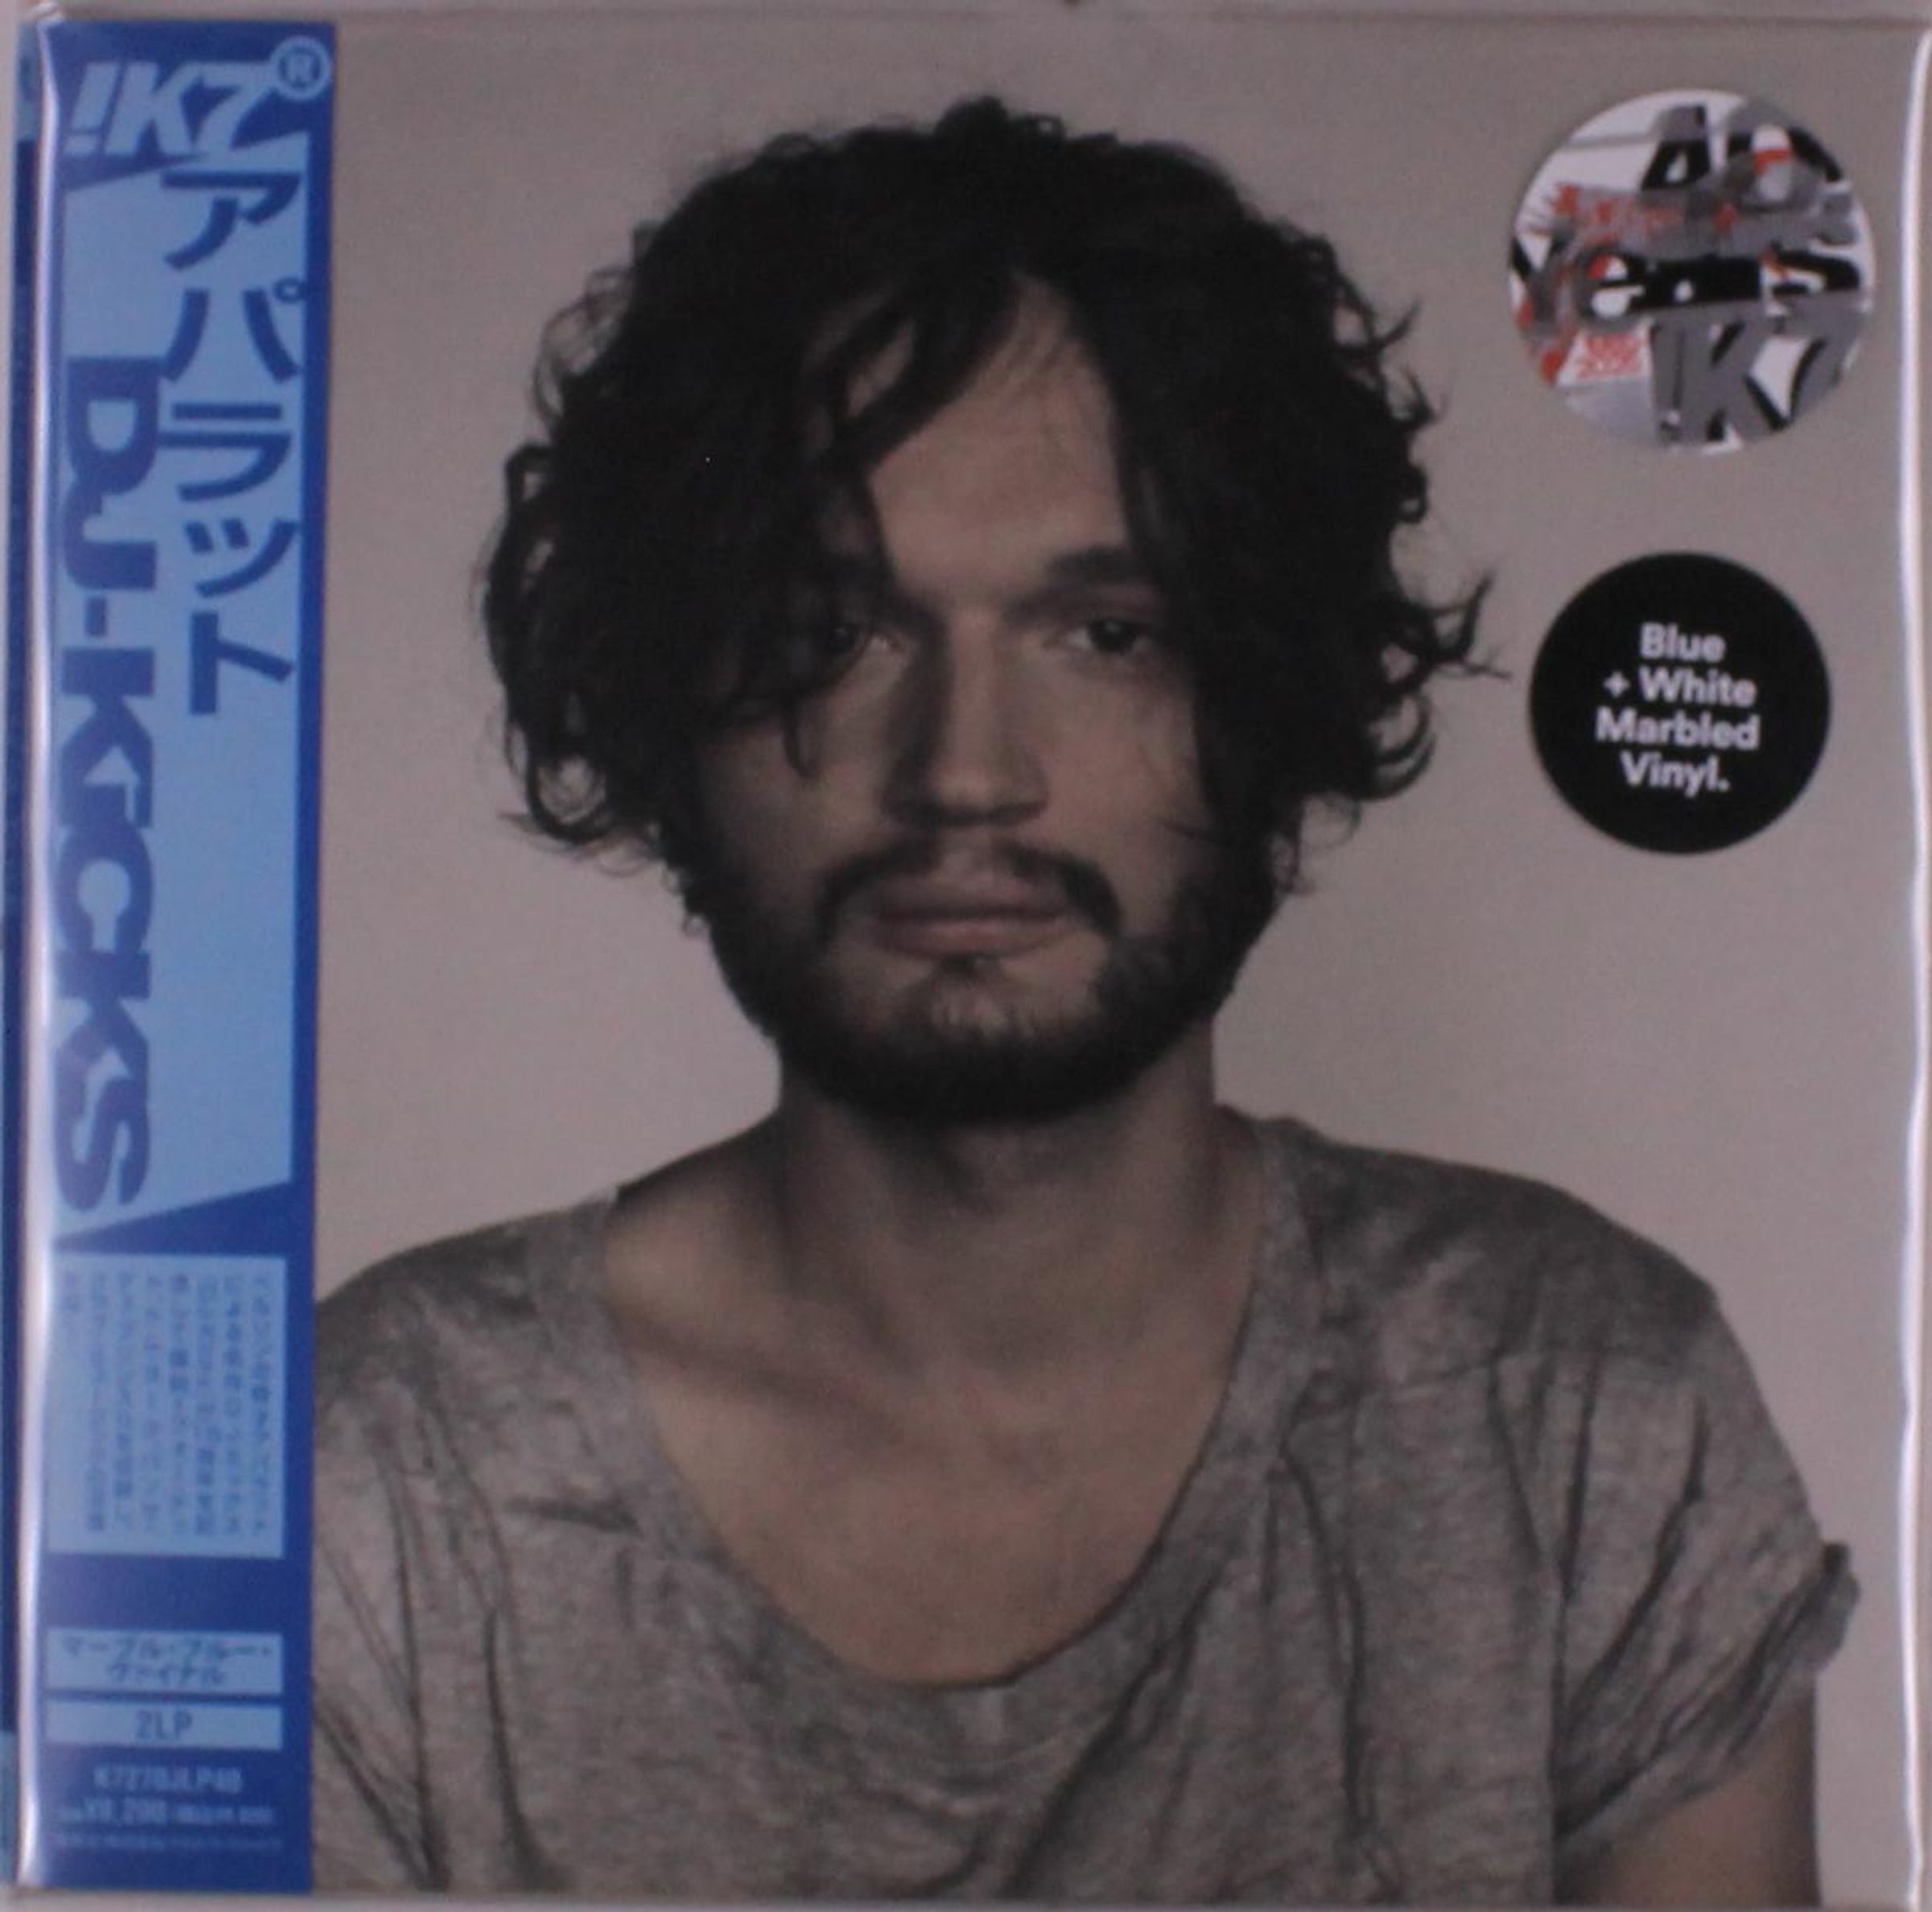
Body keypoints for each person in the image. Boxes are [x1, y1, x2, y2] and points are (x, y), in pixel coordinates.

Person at [312, 98, 1854, 1903]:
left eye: (1106, 635)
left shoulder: (1579, 1414)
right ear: (671, 707)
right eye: (832, 635)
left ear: (1266, 693)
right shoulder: (385, 1480)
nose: (968, 773)